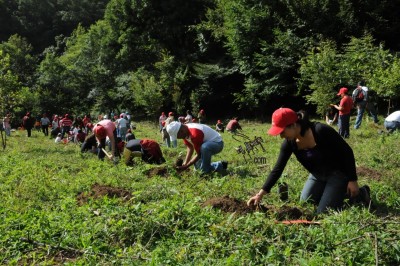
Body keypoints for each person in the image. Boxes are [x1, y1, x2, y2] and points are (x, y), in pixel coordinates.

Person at [247, 108, 371, 214]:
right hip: (317, 175)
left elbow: (347, 152)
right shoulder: (289, 143)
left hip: (337, 174)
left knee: (323, 212)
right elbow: (277, 169)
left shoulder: (320, 130)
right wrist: (260, 194)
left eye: (282, 131)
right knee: (306, 202)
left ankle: (361, 194)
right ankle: (332, 193)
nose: (281, 136)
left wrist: (352, 180)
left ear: (294, 124)